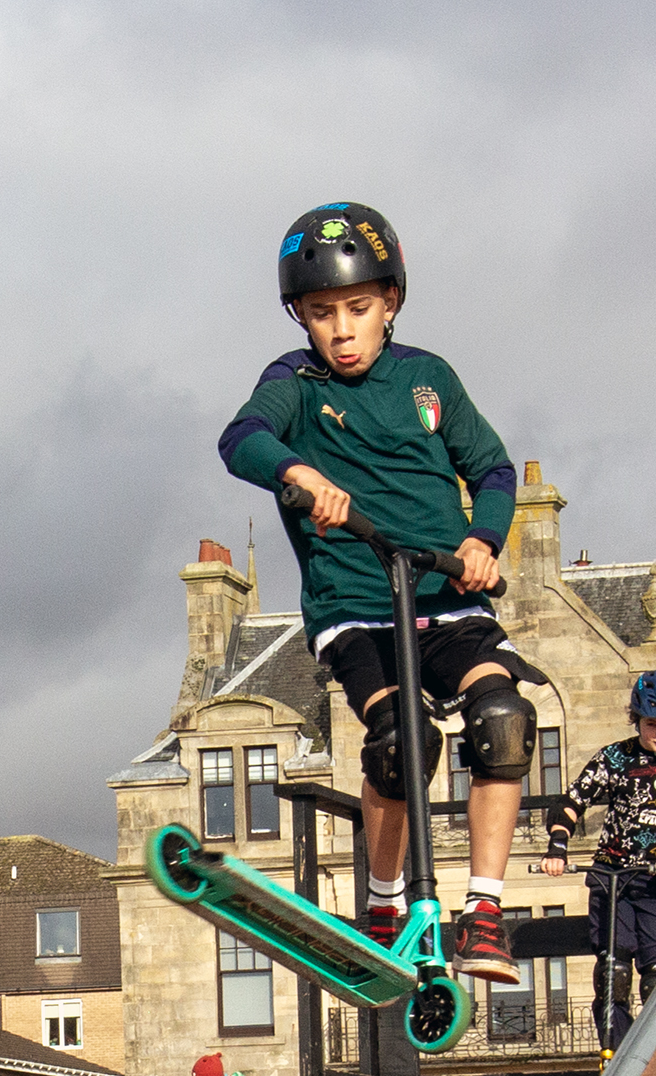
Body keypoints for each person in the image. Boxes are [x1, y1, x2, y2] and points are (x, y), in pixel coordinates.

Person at [219, 201, 538, 986]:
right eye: (322, 314)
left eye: (358, 309)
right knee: (404, 742)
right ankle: (385, 902)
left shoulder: (428, 379)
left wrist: (480, 542)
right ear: (301, 316)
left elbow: (492, 469)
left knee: (503, 721)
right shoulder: (293, 382)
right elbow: (241, 439)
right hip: (358, 604)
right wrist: (301, 474)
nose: (342, 330)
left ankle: (486, 911)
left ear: (390, 302)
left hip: (447, 595)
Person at [542, 670, 656, 1052]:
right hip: (611, 877)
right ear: (636, 720)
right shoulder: (615, 757)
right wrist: (558, 845)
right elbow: (572, 802)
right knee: (613, 973)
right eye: (651, 723)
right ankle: (615, 1053)